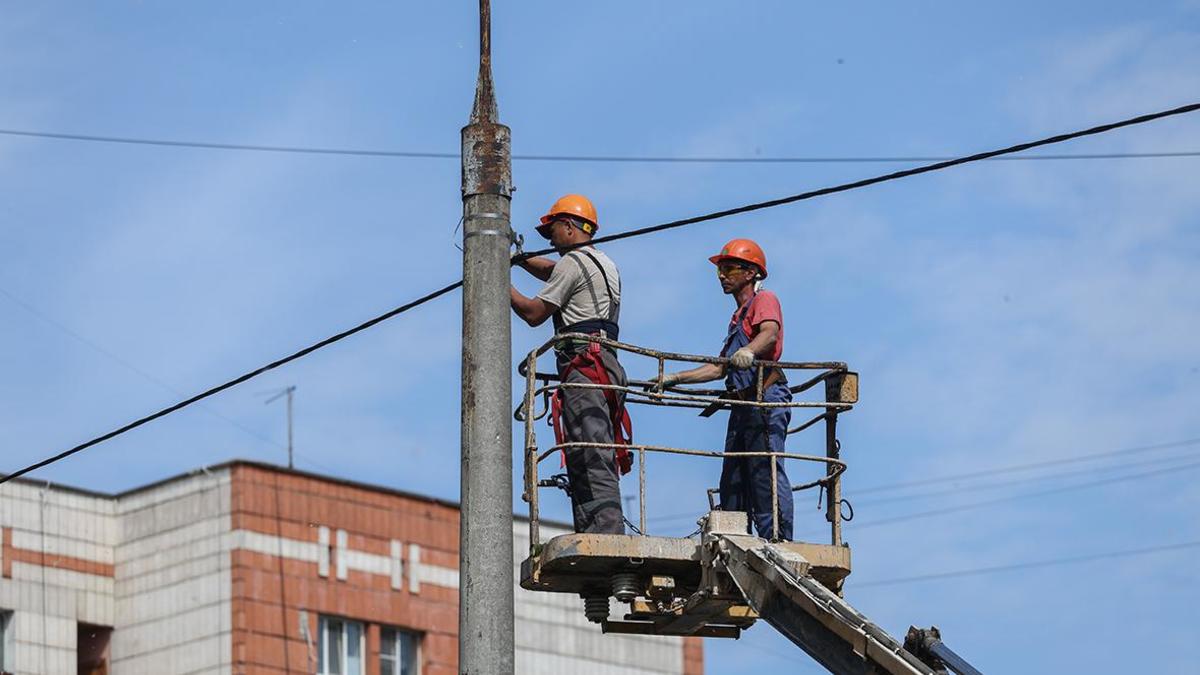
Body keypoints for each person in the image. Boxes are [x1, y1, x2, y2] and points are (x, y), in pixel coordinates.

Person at [651, 238, 793, 540]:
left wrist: (751, 351)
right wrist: (676, 378)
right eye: (720, 269)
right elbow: (719, 368)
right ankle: (734, 537)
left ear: (751, 272)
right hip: (742, 406)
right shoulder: (737, 317)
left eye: (729, 268)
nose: (721, 275)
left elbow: (769, 333)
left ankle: (777, 539)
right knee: (734, 479)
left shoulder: (764, 300)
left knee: (763, 472)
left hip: (764, 399)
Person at [510, 194, 631, 534]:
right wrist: (520, 260)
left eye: (552, 233)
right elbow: (552, 271)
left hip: (584, 367)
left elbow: (534, 314)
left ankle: (604, 533)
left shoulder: (571, 264)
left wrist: (495, 281)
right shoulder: (603, 263)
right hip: (606, 366)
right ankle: (597, 528)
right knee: (591, 448)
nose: (549, 240)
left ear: (568, 226)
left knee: (589, 453)